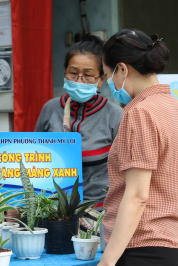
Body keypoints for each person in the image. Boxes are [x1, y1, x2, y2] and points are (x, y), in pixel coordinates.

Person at [81, 29, 178, 266]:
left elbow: (136, 197)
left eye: (109, 74)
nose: (108, 83)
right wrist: (163, 208)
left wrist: (106, 264)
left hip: (140, 251)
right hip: (174, 247)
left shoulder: (139, 113)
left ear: (123, 69)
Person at [35, 34, 123, 207]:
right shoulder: (50, 109)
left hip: (99, 213)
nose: (79, 80)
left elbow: (125, 172)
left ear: (101, 79)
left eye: (88, 75)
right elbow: (35, 158)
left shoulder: (114, 115)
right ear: (65, 73)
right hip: (53, 210)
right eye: (73, 73)